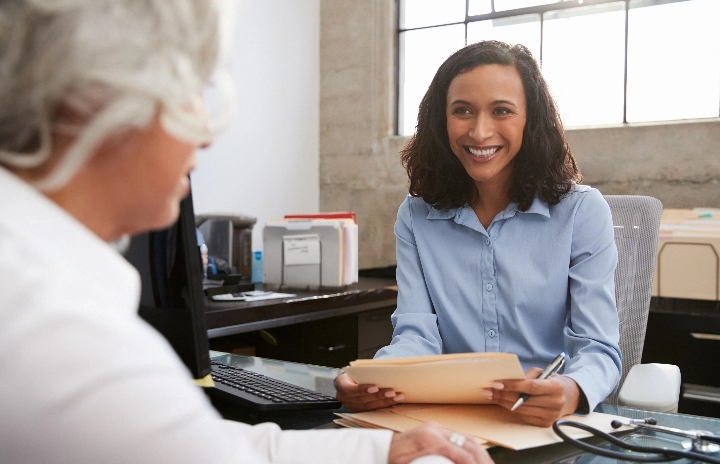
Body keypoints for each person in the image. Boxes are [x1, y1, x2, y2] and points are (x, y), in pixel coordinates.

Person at [0, 1, 493, 463]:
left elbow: (204, 445)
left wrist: (384, 451)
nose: (207, 134)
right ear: (96, 102)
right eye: (189, 92)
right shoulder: (59, 331)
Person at [335, 40, 622, 427]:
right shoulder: (416, 216)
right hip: (452, 419)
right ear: (442, 120)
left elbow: (597, 347)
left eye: (502, 111)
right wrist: (373, 379)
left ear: (529, 120)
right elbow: (415, 334)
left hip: (547, 422)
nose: (480, 131)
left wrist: (572, 390)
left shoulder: (582, 212)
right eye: (462, 111)